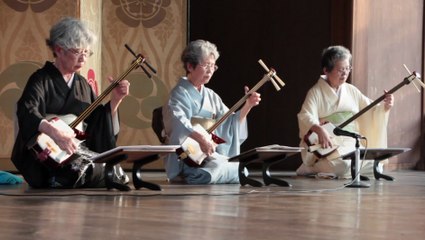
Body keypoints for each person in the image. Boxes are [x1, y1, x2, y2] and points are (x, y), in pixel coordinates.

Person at [11, 17, 130, 188]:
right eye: (77, 52)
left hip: (74, 151)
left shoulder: (82, 84)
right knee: (95, 173)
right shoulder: (40, 79)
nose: (83, 59)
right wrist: (55, 133)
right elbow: (27, 110)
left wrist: (116, 99)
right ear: (59, 50)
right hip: (45, 155)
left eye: (86, 52)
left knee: (109, 171)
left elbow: (97, 122)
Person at [162, 39, 261, 184]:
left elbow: (230, 122)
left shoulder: (211, 96)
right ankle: (192, 174)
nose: (210, 70)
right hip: (189, 156)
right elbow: (179, 123)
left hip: (208, 154)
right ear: (190, 66)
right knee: (220, 168)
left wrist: (247, 106)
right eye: (206, 65)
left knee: (239, 168)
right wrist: (202, 139)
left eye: (213, 66)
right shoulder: (178, 94)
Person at [296, 45, 394, 179]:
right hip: (330, 143)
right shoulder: (316, 92)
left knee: (376, 165)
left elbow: (371, 109)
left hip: (351, 141)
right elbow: (305, 115)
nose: (345, 73)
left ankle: (342, 170)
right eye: (341, 69)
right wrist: (319, 129)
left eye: (348, 68)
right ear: (326, 70)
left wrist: (385, 106)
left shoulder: (351, 90)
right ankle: (310, 167)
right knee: (341, 165)